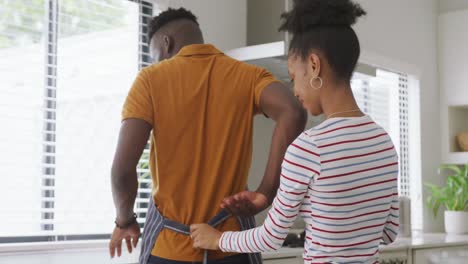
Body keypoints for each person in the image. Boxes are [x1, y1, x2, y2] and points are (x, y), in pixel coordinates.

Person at [190, 0, 400, 263]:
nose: (295, 90)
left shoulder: (309, 147)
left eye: (293, 77)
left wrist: (217, 239)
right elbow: (389, 233)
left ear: (313, 66)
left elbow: (271, 237)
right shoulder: (384, 143)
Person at [108, 7, 307, 264]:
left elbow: (121, 171)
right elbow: (293, 112)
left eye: (155, 54)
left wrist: (125, 221)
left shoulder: (150, 80)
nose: (156, 62)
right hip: (232, 247)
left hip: (169, 251)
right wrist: (266, 192)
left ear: (166, 43)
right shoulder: (246, 75)